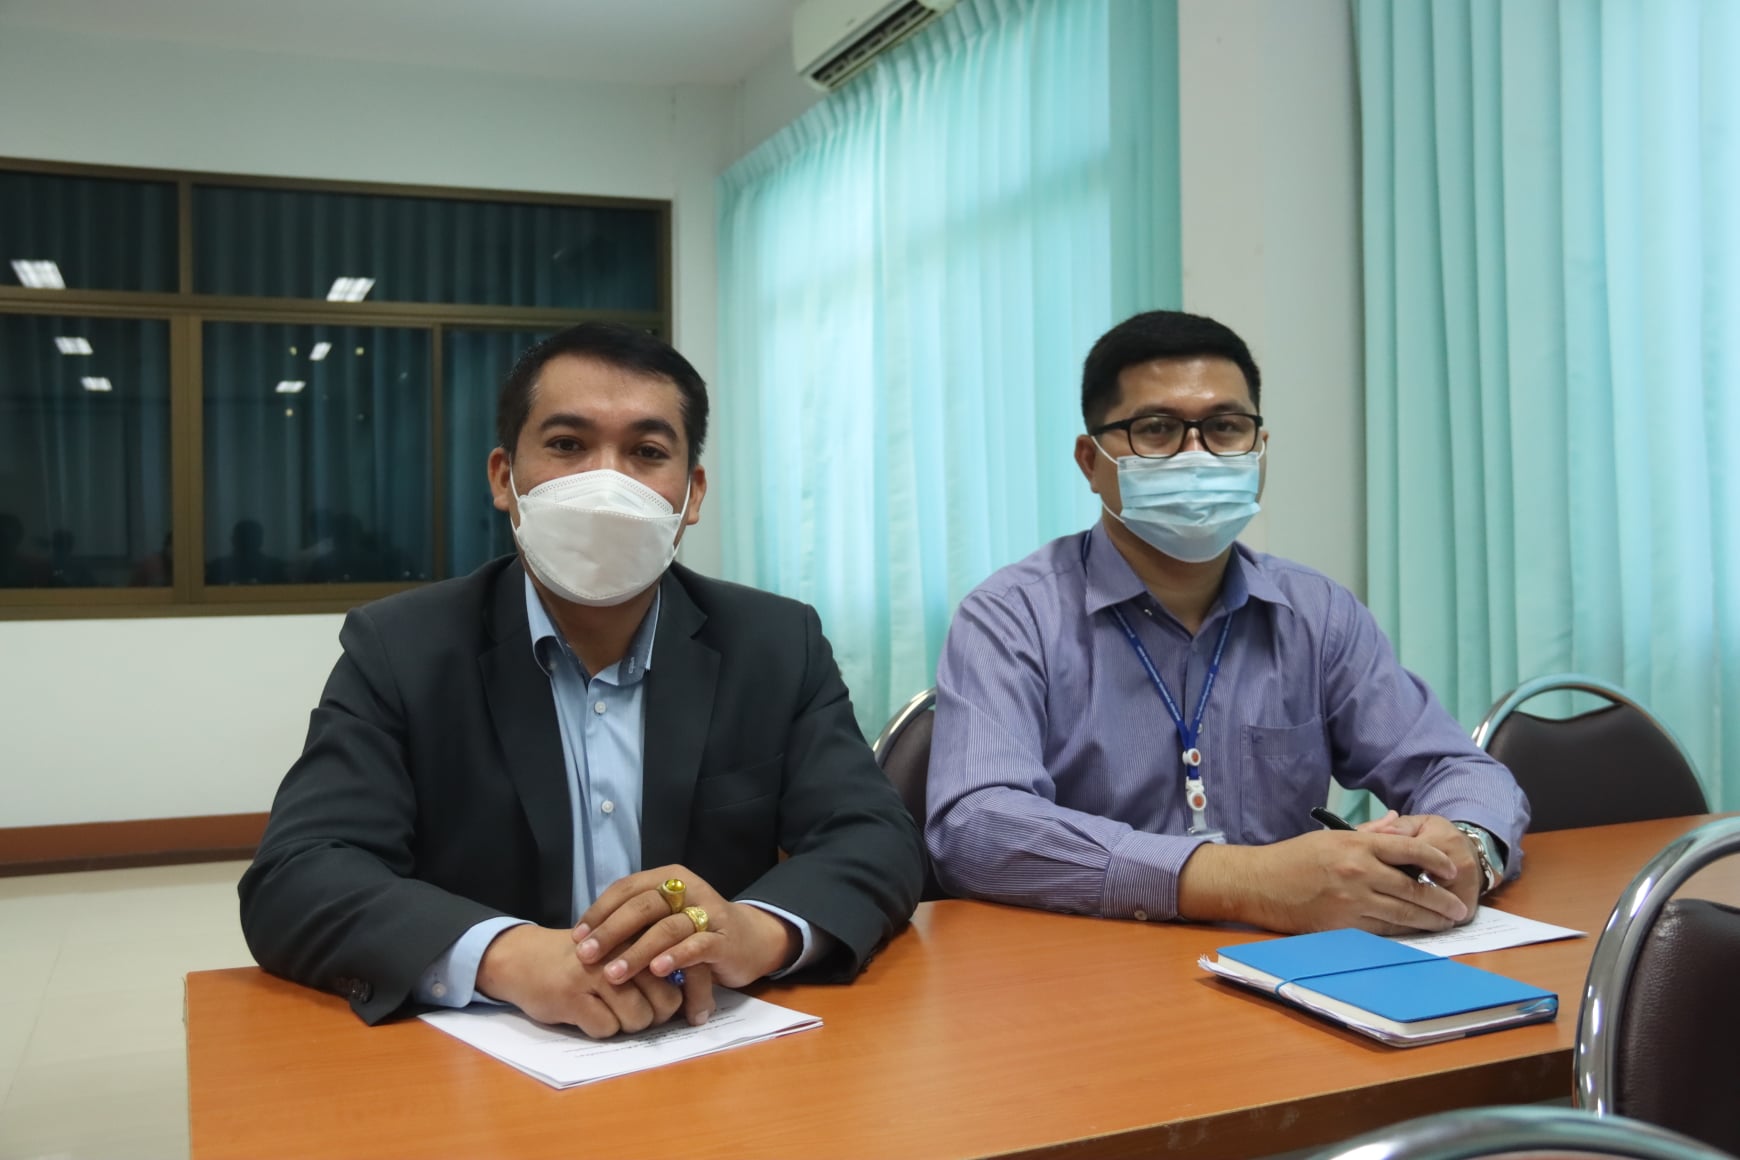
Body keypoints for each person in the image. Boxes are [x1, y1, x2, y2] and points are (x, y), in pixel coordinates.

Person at [241, 322, 923, 1036]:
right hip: (485, 1060)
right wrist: (506, 956)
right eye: (568, 445)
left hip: (711, 1045)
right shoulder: (402, 649)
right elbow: (298, 874)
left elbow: (874, 835)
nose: (606, 485)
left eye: (647, 452)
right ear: (504, 479)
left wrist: (758, 931)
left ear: (691, 495)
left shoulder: (775, 643)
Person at [926, 310, 1526, 937]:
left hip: (1291, 965)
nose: (1197, 455)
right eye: (1156, 429)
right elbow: (974, 826)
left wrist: (1468, 845)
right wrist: (1241, 881)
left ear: (1259, 449)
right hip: (1091, 965)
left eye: (1225, 427)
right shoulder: (1011, 616)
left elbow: (1457, 770)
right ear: (1090, 461)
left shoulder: (1316, 612)